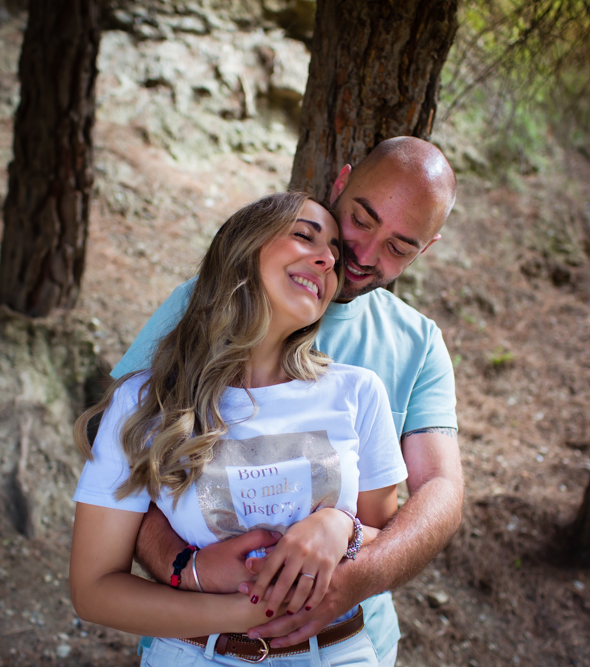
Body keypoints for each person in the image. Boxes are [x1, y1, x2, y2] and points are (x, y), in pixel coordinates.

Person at [114, 136, 464, 666]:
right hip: (196, 642)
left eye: (399, 246)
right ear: (340, 184)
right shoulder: (204, 303)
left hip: (344, 641)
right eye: (362, 220)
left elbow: (440, 488)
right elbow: (120, 454)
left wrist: (354, 579)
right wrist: (184, 566)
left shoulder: (416, 344)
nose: (365, 255)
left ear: (427, 248)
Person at [70, 191, 410, 665]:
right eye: (304, 236)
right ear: (242, 250)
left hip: (335, 655)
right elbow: (94, 590)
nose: (328, 258)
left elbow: (386, 536)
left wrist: (339, 526)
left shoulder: (358, 392)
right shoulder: (146, 402)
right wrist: (238, 611)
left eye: (334, 252)